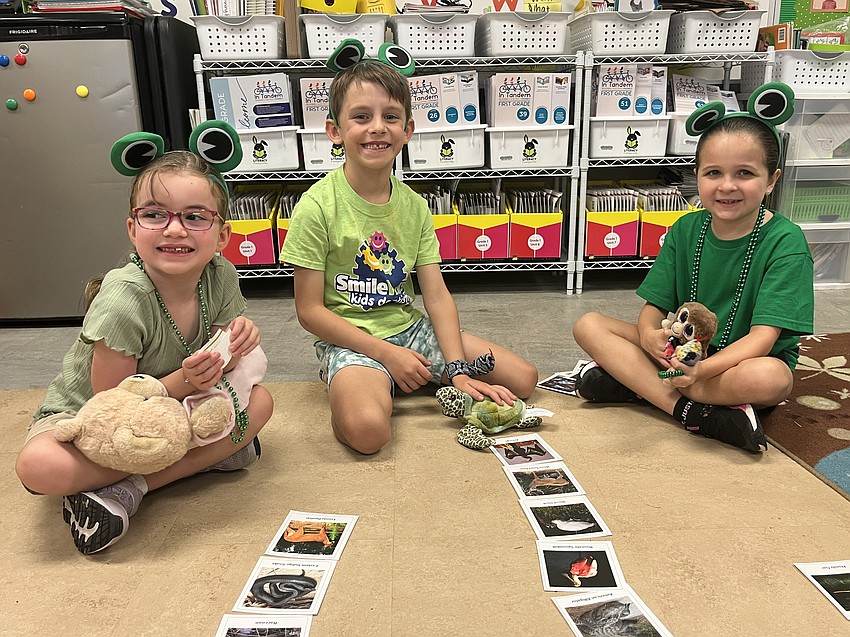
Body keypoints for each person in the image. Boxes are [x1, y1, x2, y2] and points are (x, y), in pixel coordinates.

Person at [15, 150, 274, 554]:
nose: (175, 230)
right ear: (133, 229)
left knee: (260, 403)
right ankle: (204, 457)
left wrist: (237, 341)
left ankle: (130, 487)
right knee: (37, 466)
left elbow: (223, 356)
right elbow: (113, 403)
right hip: (95, 417)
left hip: (175, 404)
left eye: (195, 216)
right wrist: (187, 380)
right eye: (156, 215)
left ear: (222, 235)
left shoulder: (221, 274)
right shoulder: (124, 299)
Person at [280, 58, 538, 455]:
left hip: (411, 332)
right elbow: (310, 312)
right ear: (335, 131)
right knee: (367, 433)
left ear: (407, 131)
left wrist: (455, 369)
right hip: (353, 341)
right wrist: (386, 354)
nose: (377, 127)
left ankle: (402, 378)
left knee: (523, 379)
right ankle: (360, 383)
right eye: (361, 116)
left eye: (391, 116)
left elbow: (436, 295)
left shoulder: (415, 207)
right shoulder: (316, 207)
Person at [572, 106, 814, 453]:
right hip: (682, 352)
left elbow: (763, 338)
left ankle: (643, 386)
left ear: (772, 179)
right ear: (696, 174)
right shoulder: (686, 229)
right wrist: (648, 335)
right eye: (713, 172)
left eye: (745, 173)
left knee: (773, 379)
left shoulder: (785, 242)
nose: (727, 186)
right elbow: (654, 307)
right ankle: (689, 410)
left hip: (737, 365)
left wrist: (701, 371)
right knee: (589, 324)